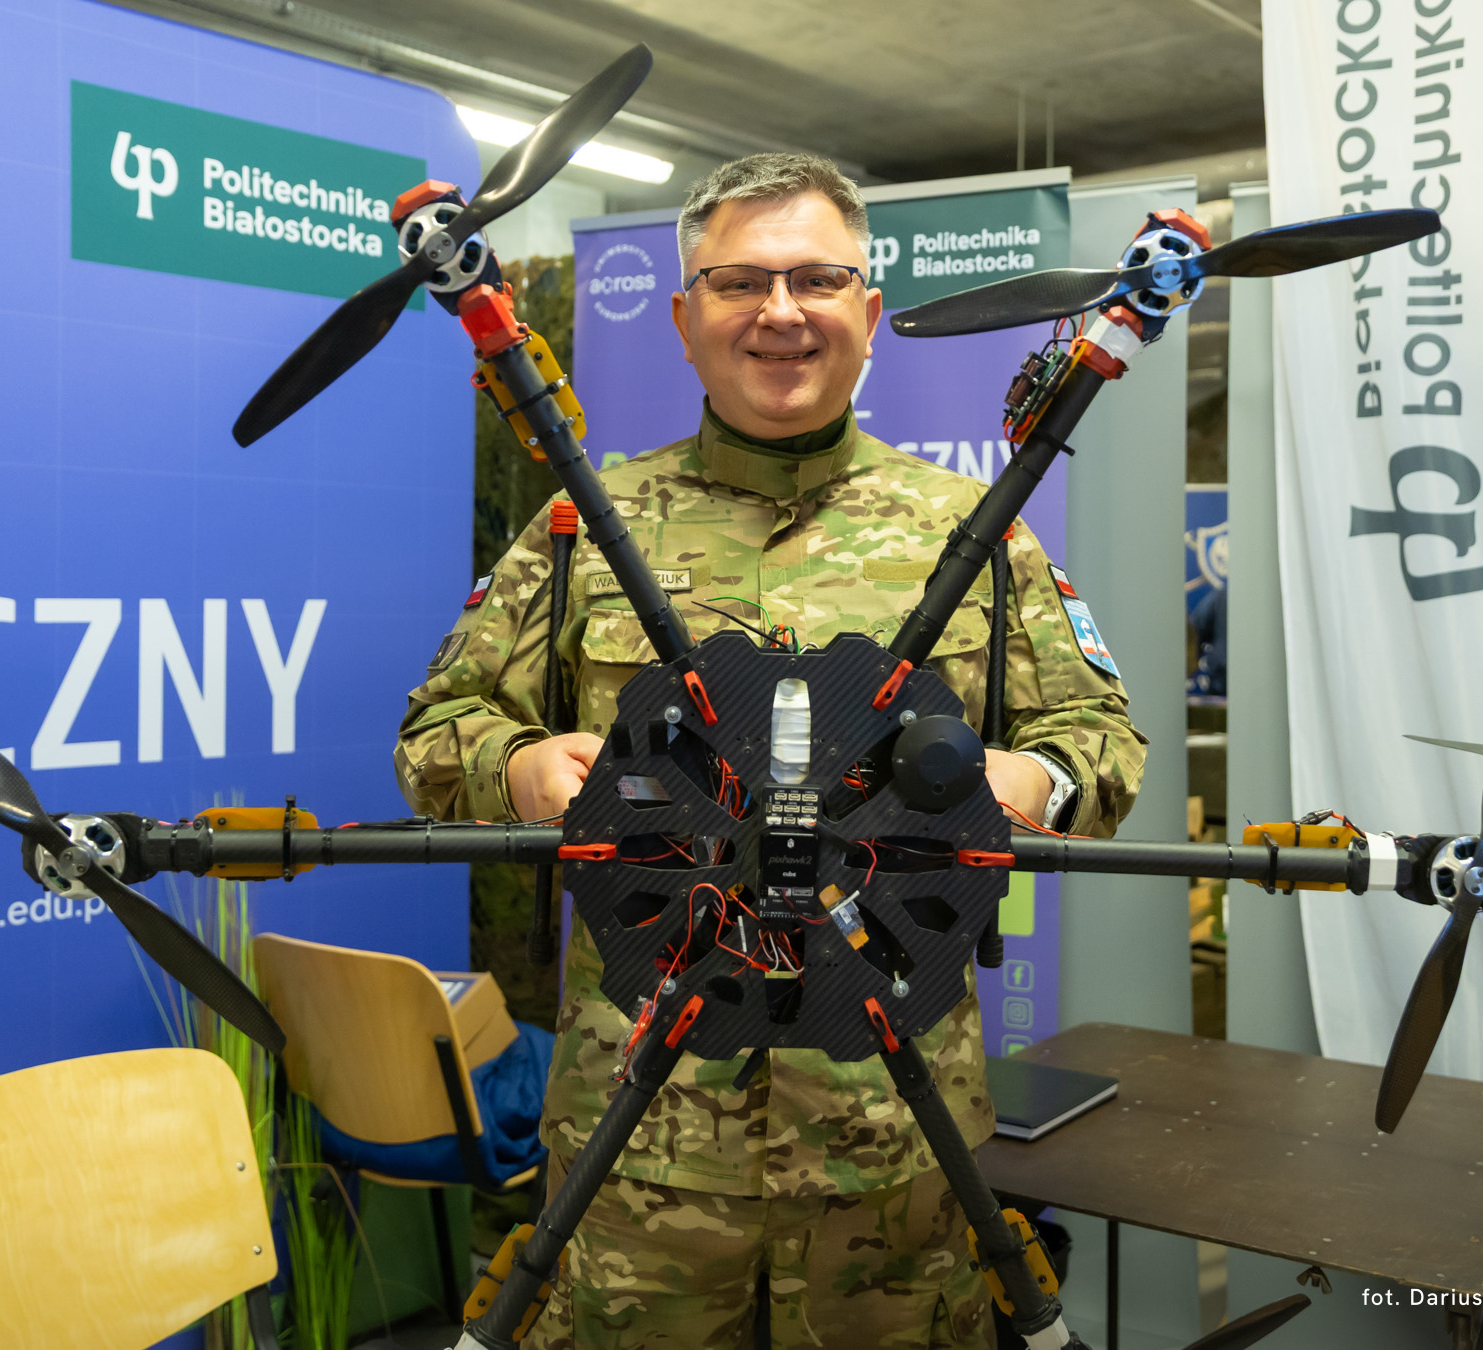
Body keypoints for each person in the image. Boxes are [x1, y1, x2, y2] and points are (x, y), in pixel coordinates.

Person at [397, 152, 1146, 1349]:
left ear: (870, 312)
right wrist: (520, 768)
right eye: (740, 282)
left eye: (816, 279)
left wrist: (1034, 780)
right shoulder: (584, 527)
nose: (780, 312)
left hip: (896, 1146)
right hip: (641, 1148)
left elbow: (1101, 740)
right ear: (684, 319)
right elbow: (437, 729)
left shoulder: (975, 532)